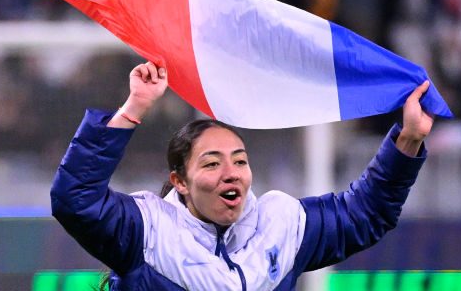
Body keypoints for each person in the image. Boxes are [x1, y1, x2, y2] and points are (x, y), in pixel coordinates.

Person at [51, 61, 434, 290]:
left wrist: (409, 138)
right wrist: (134, 108)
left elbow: (365, 214)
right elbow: (75, 199)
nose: (230, 174)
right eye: (212, 163)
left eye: (239, 160)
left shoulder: (281, 226)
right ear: (180, 181)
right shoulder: (147, 230)